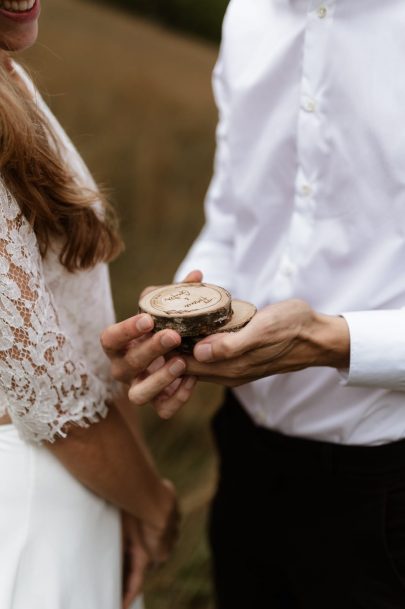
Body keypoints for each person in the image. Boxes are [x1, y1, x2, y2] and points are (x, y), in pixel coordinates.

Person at [101, 1, 405, 608]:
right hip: (243, 457)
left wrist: (326, 340)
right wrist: (176, 326)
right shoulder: (249, 15)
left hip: (387, 486)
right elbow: (234, 220)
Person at [0, 2, 179, 608]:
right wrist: (155, 503)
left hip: (86, 478)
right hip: (32, 501)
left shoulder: (9, 70)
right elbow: (46, 394)